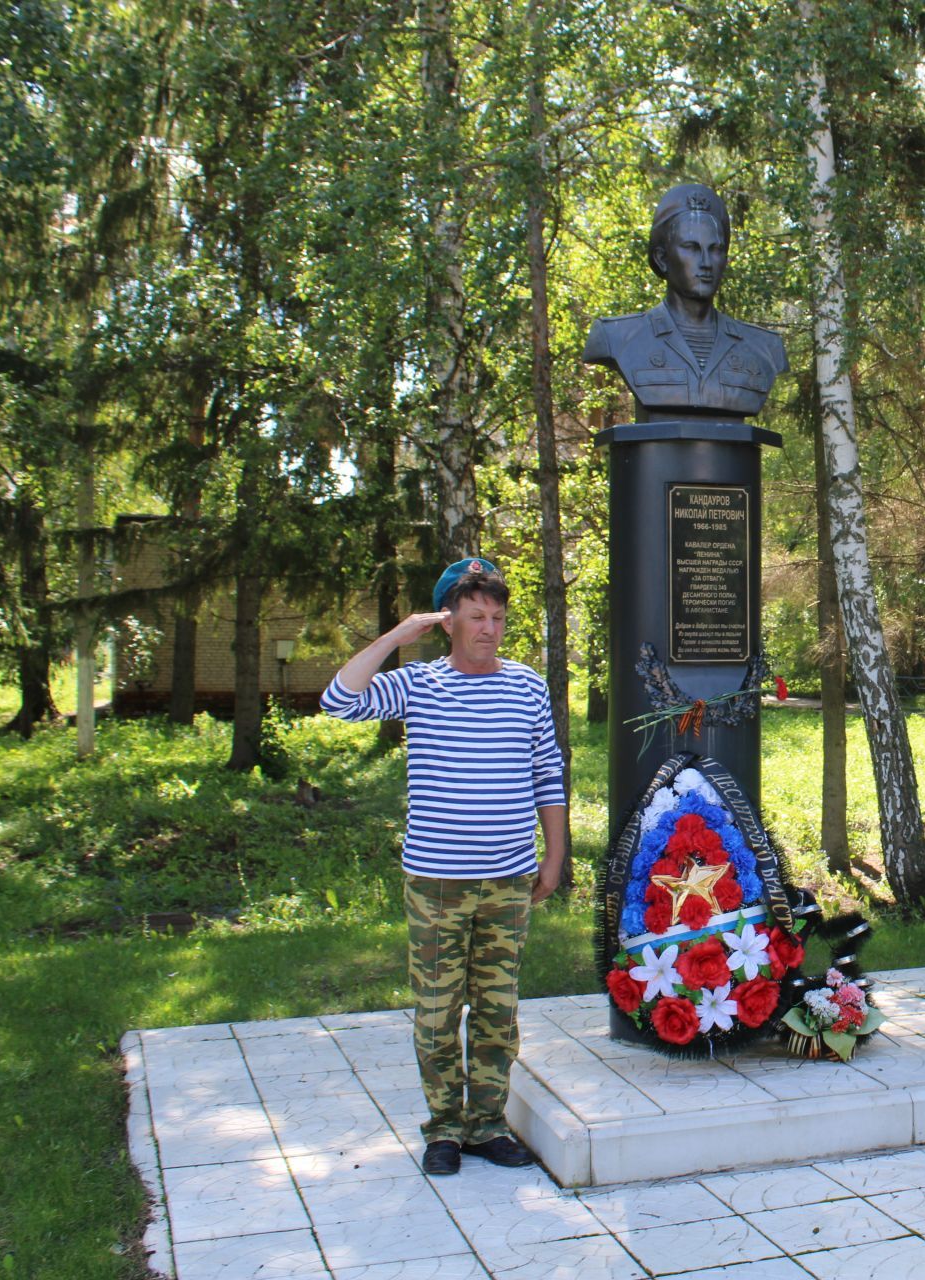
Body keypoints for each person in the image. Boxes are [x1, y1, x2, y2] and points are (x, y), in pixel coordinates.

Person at [320, 557, 568, 1174]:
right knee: (436, 1014)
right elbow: (337, 700)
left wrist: (555, 857)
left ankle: (486, 1125)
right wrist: (397, 637)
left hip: (509, 877)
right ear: (449, 620)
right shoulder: (421, 685)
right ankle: (444, 1130)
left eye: (498, 618)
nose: (489, 628)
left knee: (497, 1011)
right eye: (476, 616)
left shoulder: (526, 685)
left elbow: (548, 775)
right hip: (437, 879)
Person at [582, 182, 787, 422]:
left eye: (715, 249)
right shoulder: (616, 338)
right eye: (691, 248)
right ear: (662, 259)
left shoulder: (764, 348)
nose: (705, 262)